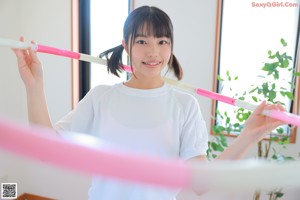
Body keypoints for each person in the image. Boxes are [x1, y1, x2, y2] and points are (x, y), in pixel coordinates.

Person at [13, 5, 285, 200]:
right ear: (126, 45)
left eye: (162, 41)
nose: (153, 51)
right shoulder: (101, 98)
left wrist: (249, 135)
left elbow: (201, 183)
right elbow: (45, 150)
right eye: (142, 41)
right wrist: (33, 85)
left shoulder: (184, 105)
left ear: (171, 47)